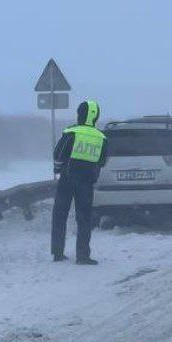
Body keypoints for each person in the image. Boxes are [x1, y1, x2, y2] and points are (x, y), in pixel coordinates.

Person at [51, 99, 107, 264]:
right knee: (84, 219)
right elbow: (102, 161)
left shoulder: (71, 132)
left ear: (80, 114)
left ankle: (57, 253)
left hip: (67, 179)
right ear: (95, 117)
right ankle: (83, 256)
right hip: (87, 183)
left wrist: (57, 168)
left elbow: (58, 154)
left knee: (60, 215)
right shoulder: (101, 138)